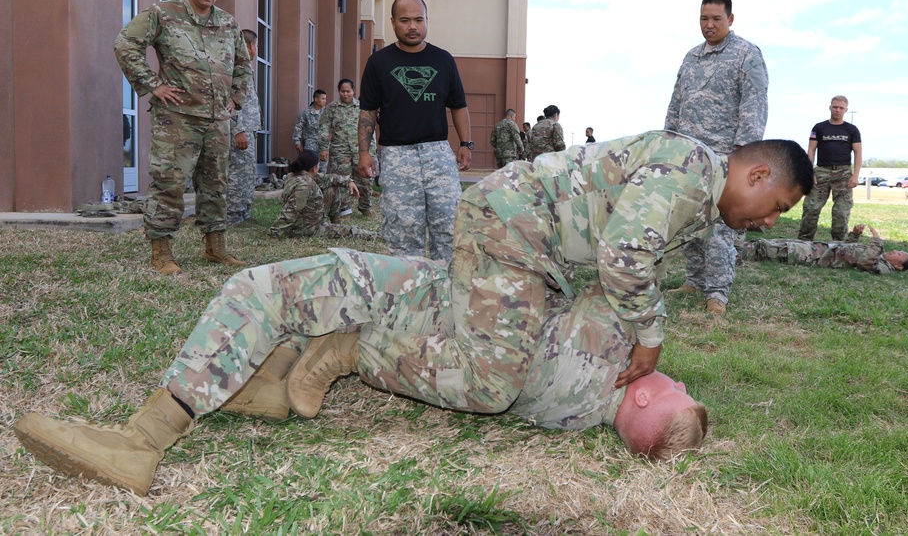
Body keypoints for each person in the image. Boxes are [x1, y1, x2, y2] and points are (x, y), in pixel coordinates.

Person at [13, 131, 813, 496]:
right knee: (495, 377)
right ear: (751, 169)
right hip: (512, 242)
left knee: (288, 284)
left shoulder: (694, 192)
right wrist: (652, 331)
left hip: (496, 265)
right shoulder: (688, 173)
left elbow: (615, 266)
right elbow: (625, 261)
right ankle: (354, 348)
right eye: (771, 202)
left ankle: (171, 420)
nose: (768, 217)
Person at [115, 0, 253, 275]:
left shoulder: (229, 23)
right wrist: (153, 85)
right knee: (169, 185)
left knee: (216, 185)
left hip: (217, 121)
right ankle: (161, 252)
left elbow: (243, 65)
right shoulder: (163, 13)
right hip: (176, 118)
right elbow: (125, 44)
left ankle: (215, 248)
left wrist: (236, 98)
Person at [664, 0, 768, 315]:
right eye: (704, 19)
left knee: (720, 228)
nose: (709, 25)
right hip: (689, 157)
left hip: (725, 158)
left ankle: (717, 295)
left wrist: (744, 155)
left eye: (716, 19)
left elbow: (754, 105)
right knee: (691, 223)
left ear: (730, 19)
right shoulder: (691, 57)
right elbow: (676, 102)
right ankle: (694, 281)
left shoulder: (746, 54)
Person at [357, 0, 472, 261]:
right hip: (398, 156)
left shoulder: (443, 60)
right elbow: (368, 111)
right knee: (404, 231)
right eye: (405, 20)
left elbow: (458, 105)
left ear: (426, 21)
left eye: (418, 19)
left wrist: (466, 144)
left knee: (449, 224)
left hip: (438, 154)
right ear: (393, 22)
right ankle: (411, 293)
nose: (412, 26)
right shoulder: (379, 63)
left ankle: (446, 290)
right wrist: (364, 151)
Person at [268, 150, 378, 241]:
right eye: (318, 164)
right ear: (313, 167)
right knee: (351, 231)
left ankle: (335, 221)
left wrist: (348, 181)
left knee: (332, 187)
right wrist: (274, 233)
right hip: (306, 229)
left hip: (306, 221)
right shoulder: (304, 186)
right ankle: (377, 236)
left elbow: (328, 178)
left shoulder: (295, 175)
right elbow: (292, 210)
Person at [798, 95, 862, 241]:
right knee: (811, 208)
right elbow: (811, 150)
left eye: (841, 108)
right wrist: (810, 172)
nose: (837, 110)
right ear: (830, 107)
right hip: (821, 171)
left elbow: (858, 153)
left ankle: (839, 245)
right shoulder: (819, 127)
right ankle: (804, 242)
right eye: (835, 107)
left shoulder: (851, 130)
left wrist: (855, 175)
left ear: (846, 110)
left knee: (841, 211)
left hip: (843, 173)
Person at [742, 224, 908, 275]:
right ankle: (730, 251)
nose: (895, 251)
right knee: (768, 244)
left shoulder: (884, 267)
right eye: (898, 250)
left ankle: (728, 255)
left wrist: (877, 242)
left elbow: (864, 263)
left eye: (899, 254)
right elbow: (847, 249)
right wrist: (854, 236)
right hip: (817, 247)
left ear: (899, 266)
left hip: (814, 256)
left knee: (764, 248)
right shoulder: (877, 255)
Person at [317, 79, 375, 218]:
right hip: (340, 150)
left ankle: (365, 207)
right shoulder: (332, 108)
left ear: (353, 91)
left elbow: (369, 129)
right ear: (339, 91)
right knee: (342, 180)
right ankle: (344, 210)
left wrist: (371, 151)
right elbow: (324, 128)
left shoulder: (361, 107)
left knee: (365, 180)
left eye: (348, 91)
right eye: (342, 91)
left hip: (359, 150)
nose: (345, 94)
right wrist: (323, 148)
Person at [226, 29, 263, 226]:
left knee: (248, 173)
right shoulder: (234, 68)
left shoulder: (245, 67)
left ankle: (245, 213)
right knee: (238, 174)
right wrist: (238, 129)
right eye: (256, 45)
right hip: (240, 130)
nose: (256, 49)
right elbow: (230, 102)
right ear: (250, 45)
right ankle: (233, 216)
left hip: (248, 129)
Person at [293, 90, 327, 171]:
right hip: (310, 144)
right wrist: (297, 141)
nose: (325, 101)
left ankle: (320, 184)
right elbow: (298, 126)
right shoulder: (306, 113)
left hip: (323, 145)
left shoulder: (327, 112)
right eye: (323, 99)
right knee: (309, 167)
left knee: (322, 168)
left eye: (325, 99)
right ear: (316, 99)